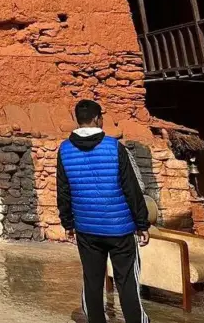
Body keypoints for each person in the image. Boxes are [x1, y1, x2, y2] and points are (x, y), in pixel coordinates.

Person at [58, 100, 150, 323]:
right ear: (99, 119)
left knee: (92, 282)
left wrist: (68, 223)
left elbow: (63, 190)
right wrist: (142, 223)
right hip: (120, 229)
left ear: (77, 120)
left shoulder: (65, 149)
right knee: (127, 282)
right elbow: (131, 188)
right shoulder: (113, 147)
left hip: (87, 230)